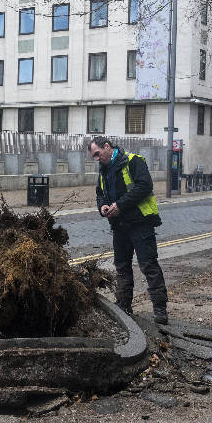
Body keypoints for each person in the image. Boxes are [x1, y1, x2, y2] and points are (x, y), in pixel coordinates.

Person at [89, 136, 168, 324]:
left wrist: (120, 205)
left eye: (98, 154)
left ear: (107, 147)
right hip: (119, 225)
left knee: (148, 265)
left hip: (140, 222)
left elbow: (144, 186)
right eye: (94, 156)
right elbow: (100, 193)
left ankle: (160, 311)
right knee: (122, 267)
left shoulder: (134, 161)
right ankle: (124, 307)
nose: (97, 159)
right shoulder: (104, 169)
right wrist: (103, 207)